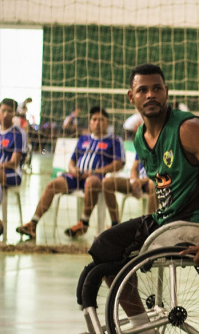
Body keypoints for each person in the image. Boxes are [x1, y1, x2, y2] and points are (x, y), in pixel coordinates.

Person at [73, 63, 199, 334]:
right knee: (104, 249)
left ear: (166, 92)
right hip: (168, 220)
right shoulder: (141, 137)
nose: (150, 94)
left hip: (194, 223)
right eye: (143, 90)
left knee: (109, 252)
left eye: (156, 88)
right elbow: (163, 188)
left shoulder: (188, 129)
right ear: (131, 97)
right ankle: (147, 333)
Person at [17, 106, 125, 240]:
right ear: (90, 122)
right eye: (94, 119)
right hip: (76, 177)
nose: (97, 123)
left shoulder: (114, 140)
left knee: (92, 181)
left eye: (101, 120)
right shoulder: (84, 139)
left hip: (96, 177)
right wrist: (73, 170)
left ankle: (83, 222)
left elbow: (118, 163)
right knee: (52, 185)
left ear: (107, 122)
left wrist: (94, 171)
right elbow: (72, 160)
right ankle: (33, 224)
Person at [1, 98, 29, 237]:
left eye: (9, 111)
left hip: (12, 174)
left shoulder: (19, 133)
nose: (6, 114)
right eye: (3, 110)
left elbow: (14, 163)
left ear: (14, 114)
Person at [100, 158, 157, 225]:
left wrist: (142, 181)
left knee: (153, 184)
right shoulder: (141, 151)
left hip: (150, 182)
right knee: (107, 183)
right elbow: (134, 168)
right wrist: (134, 181)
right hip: (136, 181)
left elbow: (160, 172)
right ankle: (115, 223)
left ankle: (151, 224)